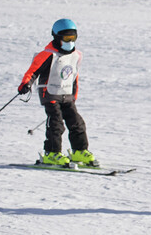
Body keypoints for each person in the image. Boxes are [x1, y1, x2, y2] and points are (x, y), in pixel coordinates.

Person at [19, 18, 95, 167]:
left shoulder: (75, 55)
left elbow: (74, 76)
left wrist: (74, 96)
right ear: (57, 37)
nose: (70, 42)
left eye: (73, 38)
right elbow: (33, 71)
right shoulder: (47, 54)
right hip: (50, 93)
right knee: (56, 124)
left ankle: (79, 151)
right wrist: (26, 83)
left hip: (66, 95)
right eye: (67, 38)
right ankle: (51, 153)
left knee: (77, 123)